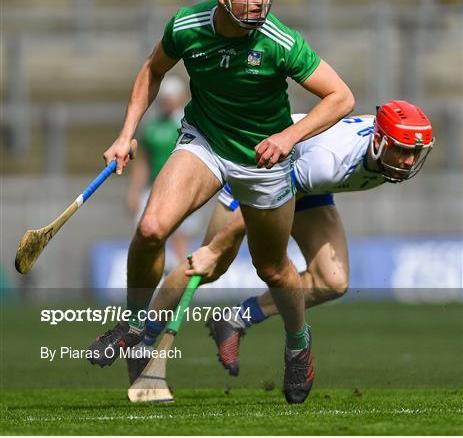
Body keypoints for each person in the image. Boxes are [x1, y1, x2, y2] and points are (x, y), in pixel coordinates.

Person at [86, 0, 354, 405]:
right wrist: (126, 134)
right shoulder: (186, 27)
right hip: (205, 143)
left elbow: (341, 97)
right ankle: (135, 326)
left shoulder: (280, 41)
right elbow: (153, 70)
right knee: (150, 229)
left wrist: (288, 137)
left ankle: (297, 345)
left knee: (272, 267)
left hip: (263, 160)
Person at [126, 100, 434, 386]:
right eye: (402, 151)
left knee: (333, 281)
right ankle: (145, 339)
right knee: (208, 264)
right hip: (256, 170)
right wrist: (218, 247)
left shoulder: (373, 151)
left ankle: (234, 319)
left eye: (415, 154)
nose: (408, 162)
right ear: (379, 142)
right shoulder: (330, 163)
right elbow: (270, 198)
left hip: (302, 181)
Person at [126, 75, 192, 270]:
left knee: (178, 237)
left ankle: (182, 280)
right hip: (152, 187)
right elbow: (143, 162)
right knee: (144, 234)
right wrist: (134, 191)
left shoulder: (185, 124)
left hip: (179, 188)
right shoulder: (152, 127)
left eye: (171, 97)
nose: (167, 101)